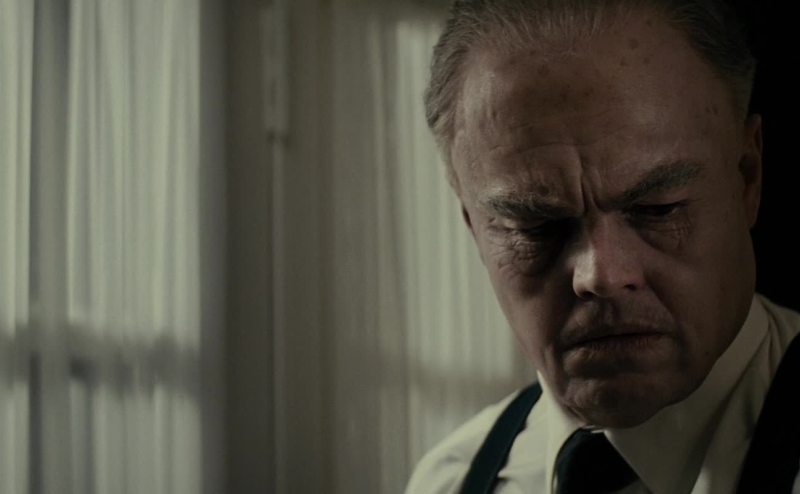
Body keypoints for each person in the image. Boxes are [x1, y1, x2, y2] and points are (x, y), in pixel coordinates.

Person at [406, 0, 800, 493]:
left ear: (747, 177)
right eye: (536, 227)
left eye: (658, 209)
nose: (600, 275)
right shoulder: (450, 479)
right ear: (474, 228)